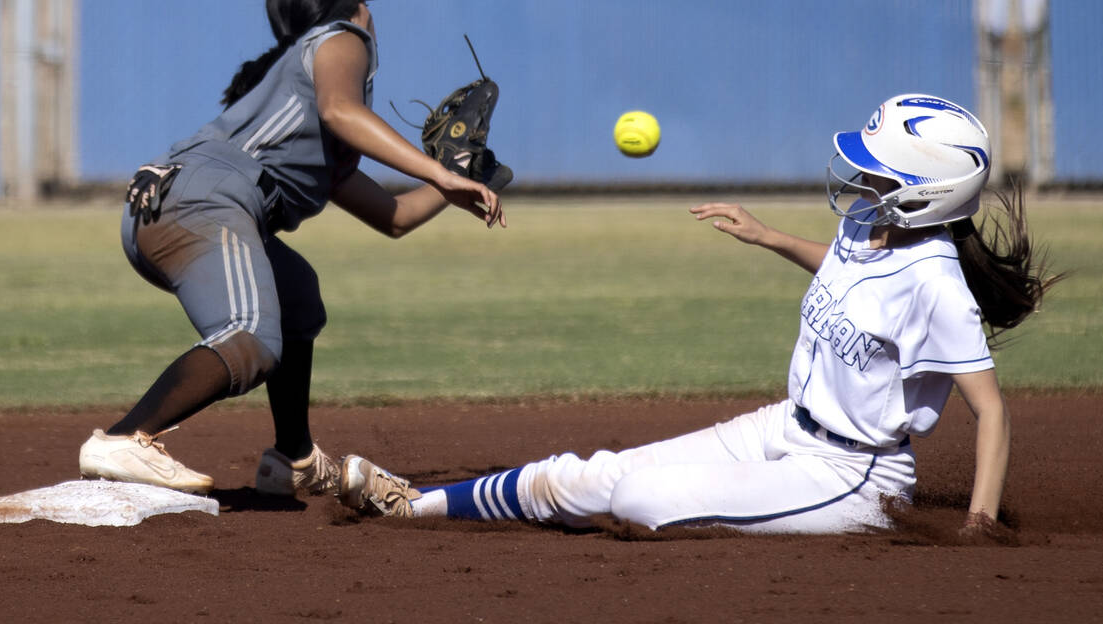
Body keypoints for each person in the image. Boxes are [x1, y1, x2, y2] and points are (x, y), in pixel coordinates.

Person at [337, 93, 1058, 535]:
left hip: (851, 475)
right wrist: (769, 236)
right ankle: (417, 506)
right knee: (593, 474)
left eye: (881, 168)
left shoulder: (937, 283)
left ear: (927, 192)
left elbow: (989, 412)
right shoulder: (868, 223)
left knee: (642, 500)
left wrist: (979, 524)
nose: (863, 174)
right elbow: (849, 277)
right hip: (783, 426)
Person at [78, 0, 506, 496]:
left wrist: (455, 182)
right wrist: (437, 169)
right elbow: (341, 109)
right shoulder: (341, 37)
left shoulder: (305, 124)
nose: (369, 17)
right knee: (252, 336)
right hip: (204, 199)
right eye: (365, 4)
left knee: (297, 295)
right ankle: (127, 437)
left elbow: (393, 217)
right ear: (350, 10)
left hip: (170, 205)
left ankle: (294, 458)